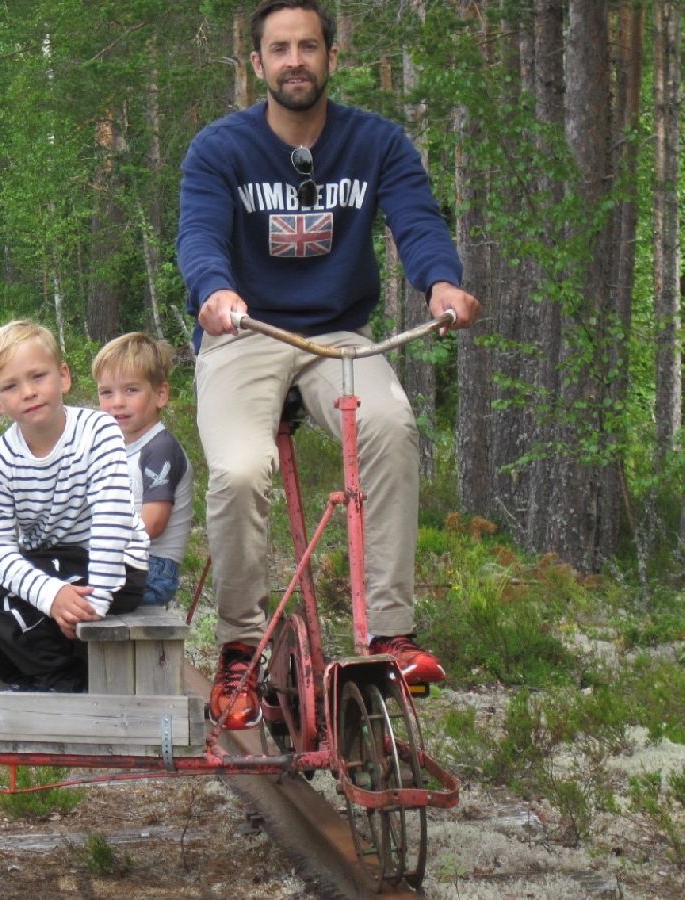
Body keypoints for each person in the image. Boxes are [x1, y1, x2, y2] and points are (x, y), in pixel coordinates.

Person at [176, 0, 481, 728]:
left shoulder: (376, 143)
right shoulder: (219, 149)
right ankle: (240, 650)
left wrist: (442, 281)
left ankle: (391, 633)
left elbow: (418, 220)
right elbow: (199, 238)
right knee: (242, 469)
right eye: (278, 49)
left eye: (308, 47)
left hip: (339, 336)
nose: (294, 61)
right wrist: (214, 293)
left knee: (390, 425)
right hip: (243, 332)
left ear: (331, 58)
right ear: (257, 64)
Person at [0, 319, 149, 692]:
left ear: (63, 377)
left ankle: (65, 683)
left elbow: (111, 520)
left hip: (113, 569)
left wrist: (96, 601)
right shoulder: (0, 458)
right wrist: (49, 595)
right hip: (53, 566)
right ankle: (29, 679)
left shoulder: (98, 432)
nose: (29, 392)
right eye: (11, 386)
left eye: (38, 376)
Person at [93, 332, 194, 607]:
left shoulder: (159, 449)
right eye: (107, 392)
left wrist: (98, 543)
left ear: (160, 394)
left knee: (60, 587)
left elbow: (154, 523)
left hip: (152, 568)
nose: (117, 403)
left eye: (131, 390)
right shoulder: (116, 448)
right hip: (124, 561)